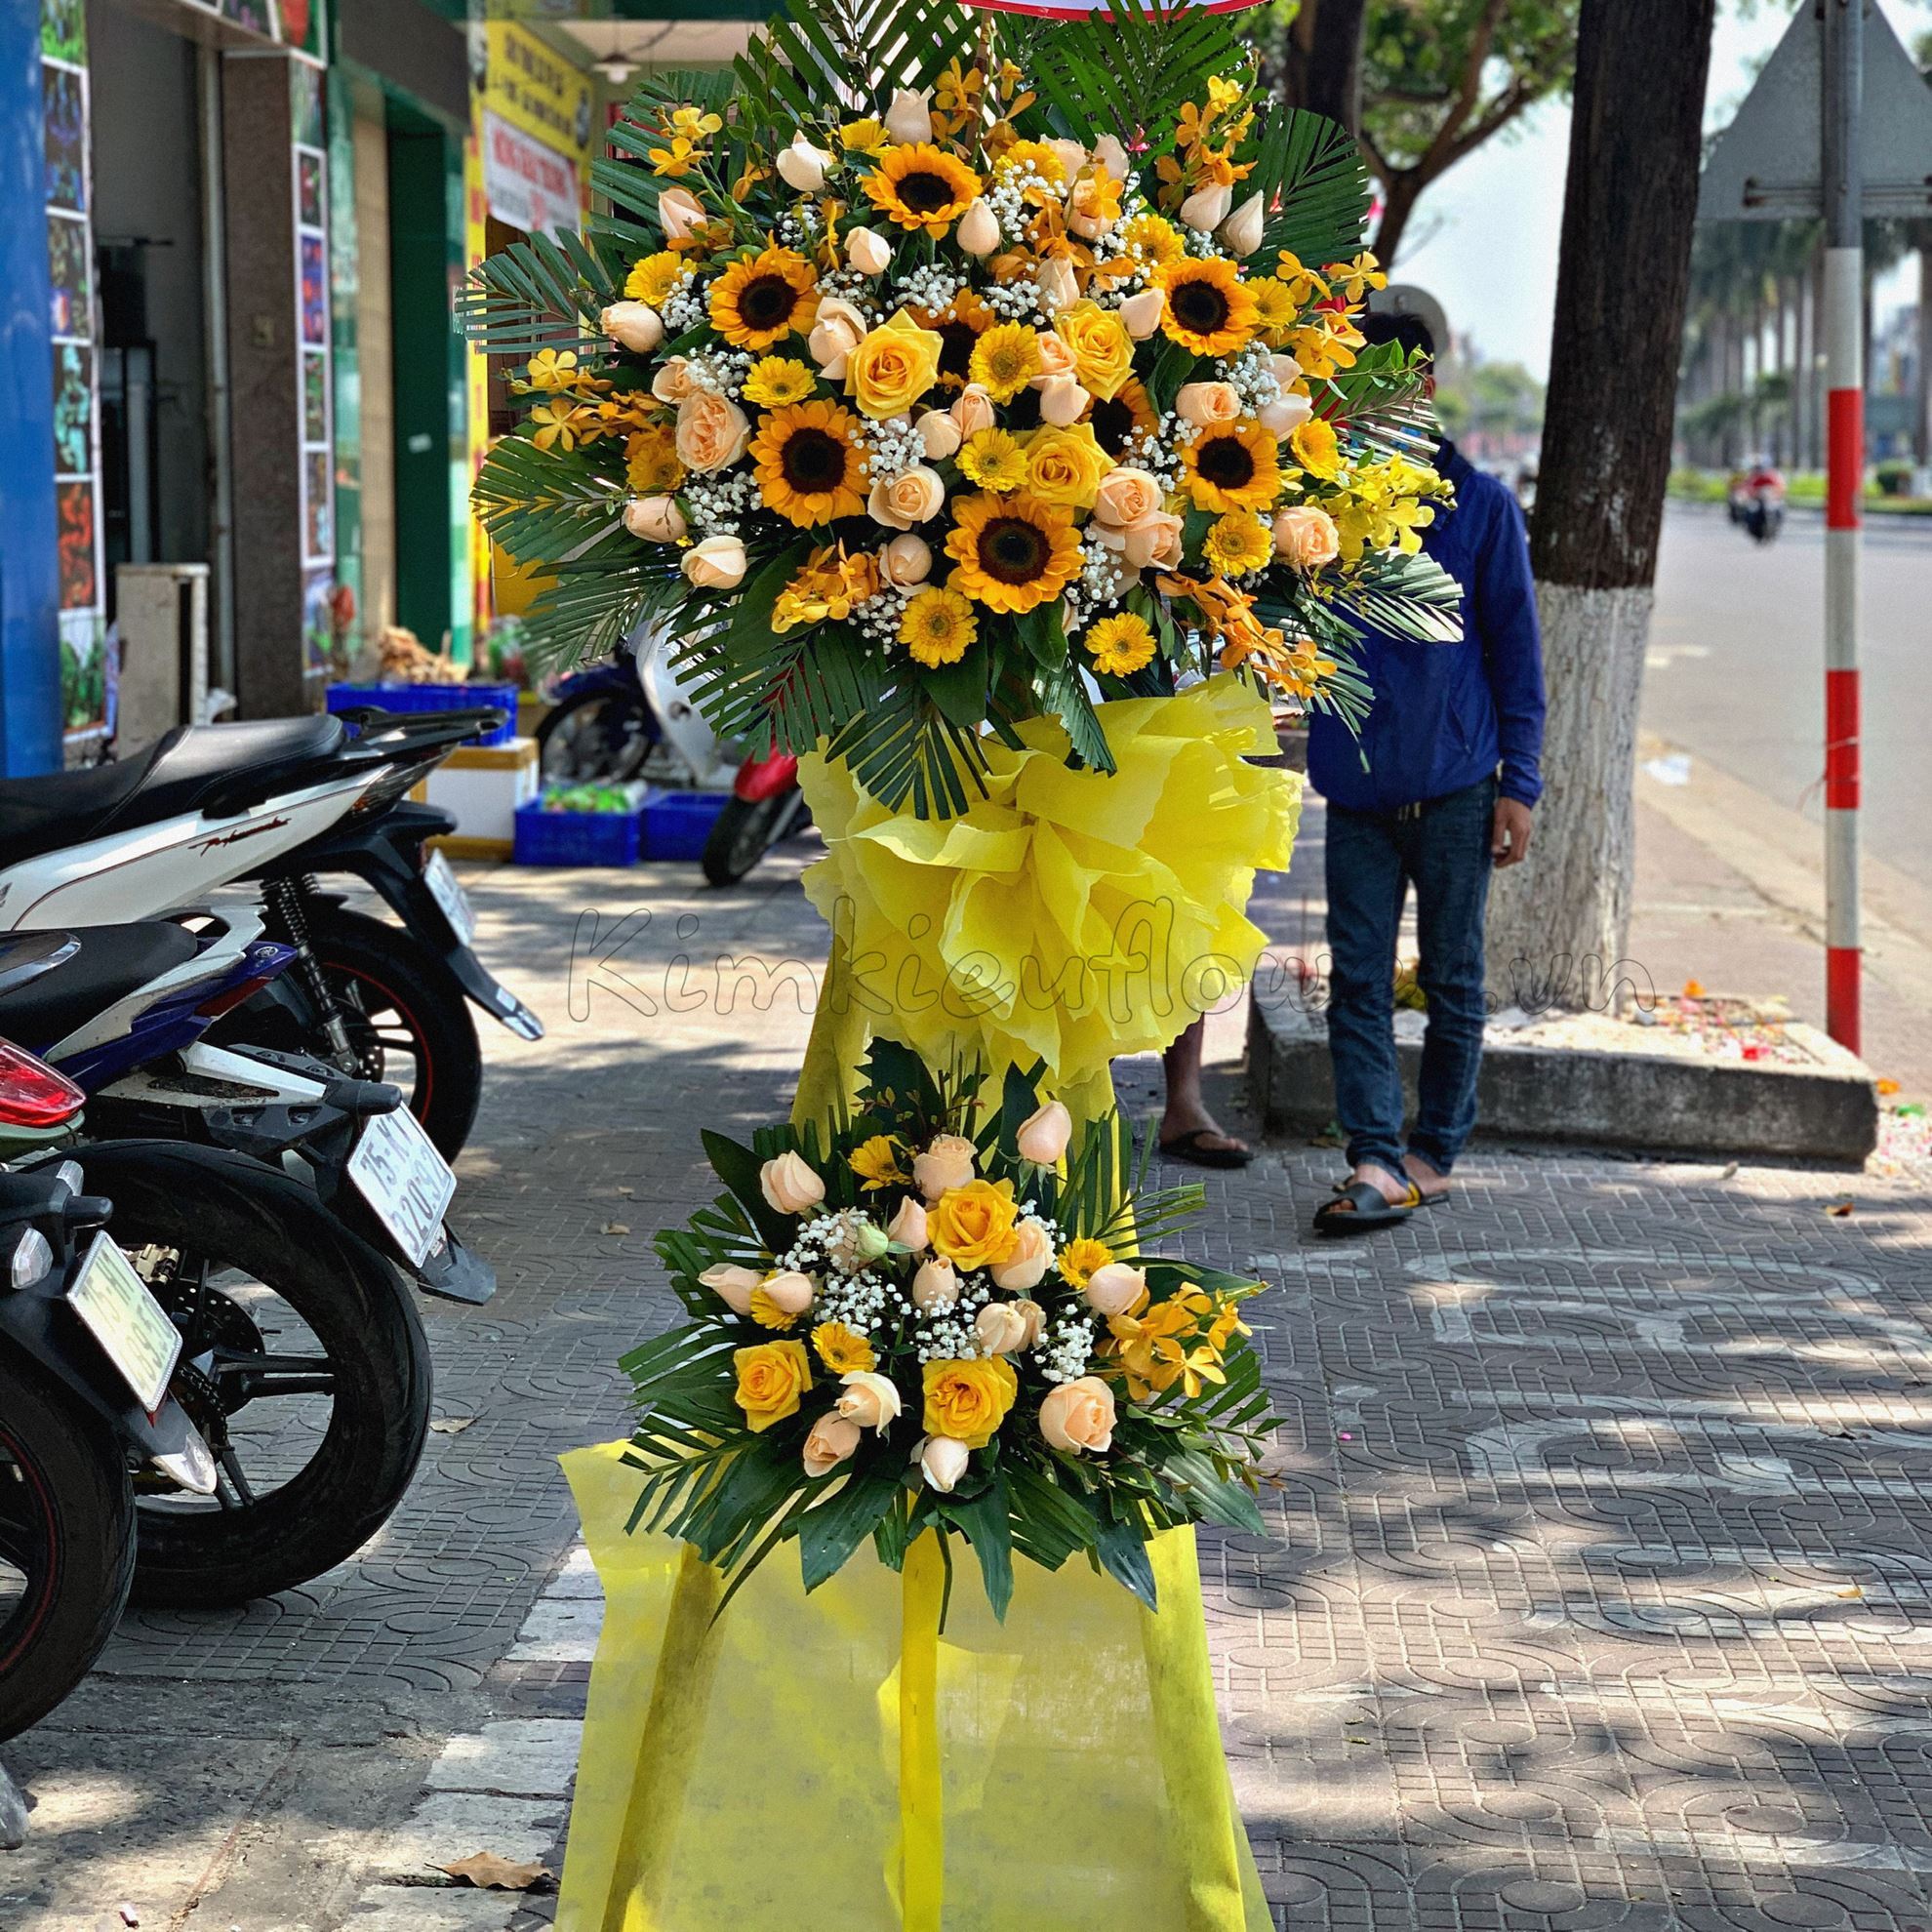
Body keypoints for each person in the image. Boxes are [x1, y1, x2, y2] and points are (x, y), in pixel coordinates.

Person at [1308, 311, 1545, 1233]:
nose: (1372, 403)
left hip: (1458, 788)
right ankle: (1373, 1153)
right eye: (1356, 385)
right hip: (1356, 791)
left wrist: (1520, 785)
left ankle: (1433, 1154)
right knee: (1357, 981)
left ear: (1426, 390)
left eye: (1391, 384)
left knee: (1454, 979)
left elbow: (1517, 657)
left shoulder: (1481, 507)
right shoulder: (1317, 510)